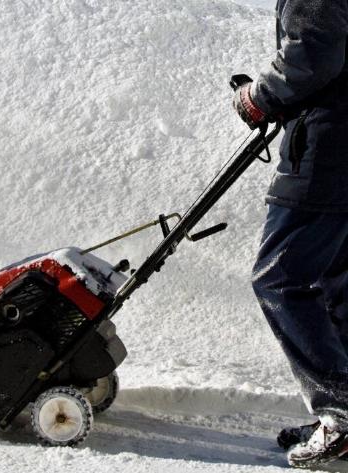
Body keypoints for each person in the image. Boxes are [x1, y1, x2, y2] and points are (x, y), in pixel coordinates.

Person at [232, 0, 348, 468]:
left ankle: (341, 414)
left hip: (328, 150)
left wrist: (258, 96)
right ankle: (339, 414)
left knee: (281, 279)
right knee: (335, 283)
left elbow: (314, 52)